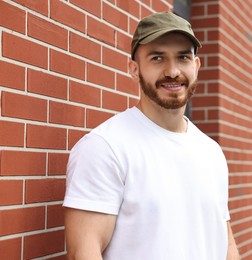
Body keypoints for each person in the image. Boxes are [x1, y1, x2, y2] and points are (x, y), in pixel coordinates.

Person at [63, 11, 240, 260]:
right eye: (157, 58)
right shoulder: (106, 147)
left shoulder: (211, 152)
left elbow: (225, 242)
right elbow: (83, 252)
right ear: (135, 69)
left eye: (183, 57)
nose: (173, 71)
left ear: (196, 66)